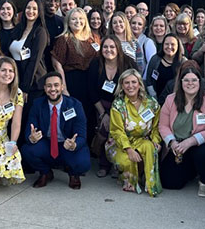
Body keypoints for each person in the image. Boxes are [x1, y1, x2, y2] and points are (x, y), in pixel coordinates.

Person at [158, 62, 205, 195]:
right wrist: (172, 142)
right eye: (186, 80)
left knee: (202, 153)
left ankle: (204, 182)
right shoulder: (171, 100)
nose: (190, 83)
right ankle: (191, 171)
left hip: (202, 144)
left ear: (200, 82)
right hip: (178, 145)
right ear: (180, 82)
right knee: (169, 182)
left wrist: (191, 141)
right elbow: (163, 126)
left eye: (194, 80)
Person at [23, 71, 90, 189]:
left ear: (62, 87)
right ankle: (45, 172)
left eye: (56, 85)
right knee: (27, 150)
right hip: (48, 144)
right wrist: (31, 137)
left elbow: (82, 135)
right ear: (44, 88)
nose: (52, 89)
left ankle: (73, 174)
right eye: (49, 86)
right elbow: (30, 127)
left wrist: (74, 144)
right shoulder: (38, 104)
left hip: (67, 145)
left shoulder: (75, 105)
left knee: (83, 162)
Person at [105, 69, 162, 196]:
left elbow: (156, 126)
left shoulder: (151, 103)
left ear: (139, 84)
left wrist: (156, 141)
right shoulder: (118, 105)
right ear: (122, 85)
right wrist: (129, 149)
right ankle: (129, 181)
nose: (130, 86)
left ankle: (150, 183)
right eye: (126, 83)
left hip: (142, 140)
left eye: (133, 82)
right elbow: (117, 131)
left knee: (150, 147)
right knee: (127, 160)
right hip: (119, 143)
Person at [88, 36, 135, 178]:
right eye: (105, 47)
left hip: (122, 105)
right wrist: (103, 113)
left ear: (118, 49)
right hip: (100, 105)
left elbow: (134, 85)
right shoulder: (96, 63)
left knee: (118, 131)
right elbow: (91, 90)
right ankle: (104, 164)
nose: (109, 50)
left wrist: (115, 112)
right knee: (104, 128)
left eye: (112, 47)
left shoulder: (128, 63)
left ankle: (117, 164)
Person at [50, 7, 97, 115]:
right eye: (74, 19)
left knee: (90, 116)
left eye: (81, 18)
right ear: (68, 22)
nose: (78, 22)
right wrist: (64, 88)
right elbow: (57, 64)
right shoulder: (64, 39)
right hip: (73, 82)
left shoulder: (93, 39)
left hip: (90, 82)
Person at [9, 0, 49, 106]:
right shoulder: (18, 29)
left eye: (34, 9)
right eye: (28, 8)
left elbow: (34, 61)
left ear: (39, 12)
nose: (31, 11)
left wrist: (25, 88)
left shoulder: (40, 32)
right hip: (17, 80)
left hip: (34, 83)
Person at [144, 34, 186, 105]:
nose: (169, 47)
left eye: (173, 44)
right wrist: (154, 98)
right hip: (155, 100)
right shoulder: (155, 59)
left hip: (175, 101)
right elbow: (149, 80)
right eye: (166, 44)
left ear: (178, 46)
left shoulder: (183, 62)